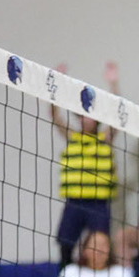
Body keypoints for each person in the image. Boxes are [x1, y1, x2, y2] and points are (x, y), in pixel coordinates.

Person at [48, 60, 120, 265]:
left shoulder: (104, 139)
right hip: (74, 201)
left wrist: (114, 84)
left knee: (101, 246)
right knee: (65, 244)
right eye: (81, 117)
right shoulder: (73, 137)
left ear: (96, 119)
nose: (84, 120)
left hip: (98, 203)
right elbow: (54, 116)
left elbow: (118, 115)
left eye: (88, 116)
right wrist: (57, 81)